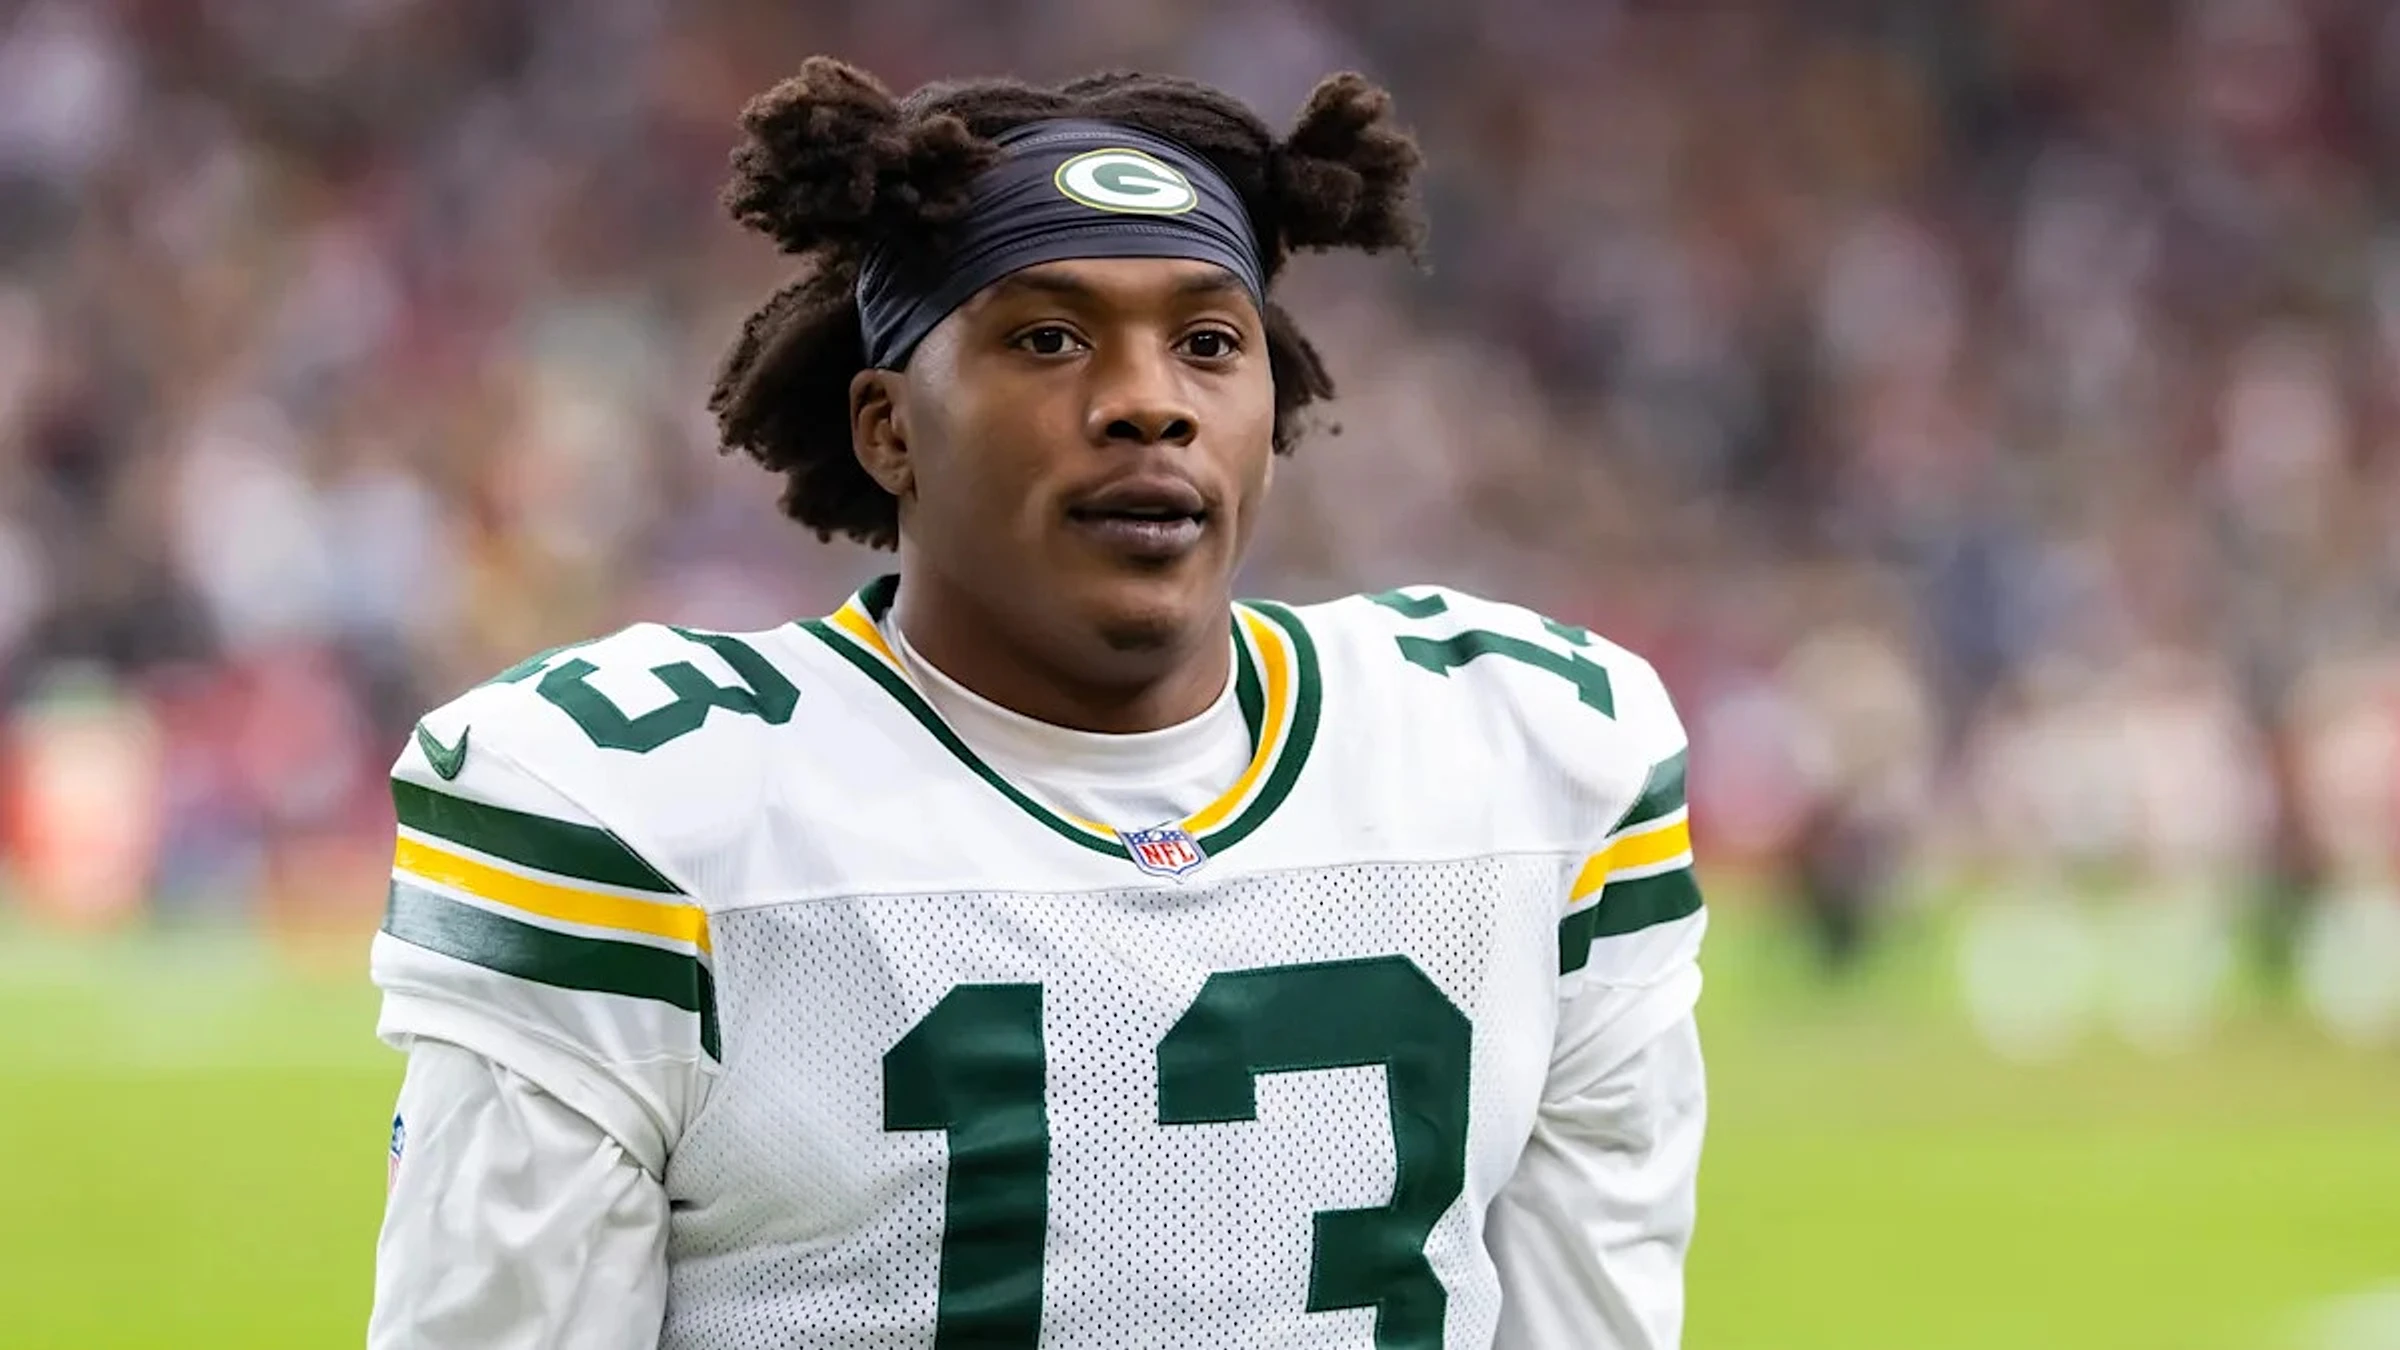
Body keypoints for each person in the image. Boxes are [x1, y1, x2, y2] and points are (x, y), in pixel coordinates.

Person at [367, 57, 1708, 1350]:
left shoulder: (1530, 751)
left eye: (1208, 342)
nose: (1148, 405)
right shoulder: (639, 807)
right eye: (1050, 339)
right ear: (889, 427)